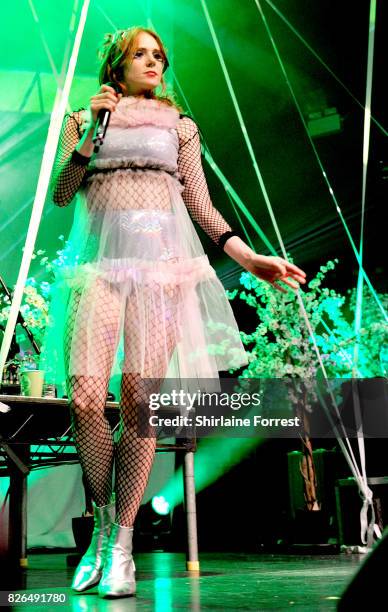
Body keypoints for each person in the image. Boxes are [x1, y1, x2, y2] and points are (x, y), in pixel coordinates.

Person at [49, 26, 306, 599]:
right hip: (98, 267)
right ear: (116, 63)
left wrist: (247, 256)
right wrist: (91, 133)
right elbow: (63, 193)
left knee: (140, 404)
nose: (153, 62)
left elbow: (200, 204)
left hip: (164, 271)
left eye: (159, 56)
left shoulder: (181, 127)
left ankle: (121, 545)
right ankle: (100, 529)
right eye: (141, 53)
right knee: (86, 397)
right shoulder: (80, 118)